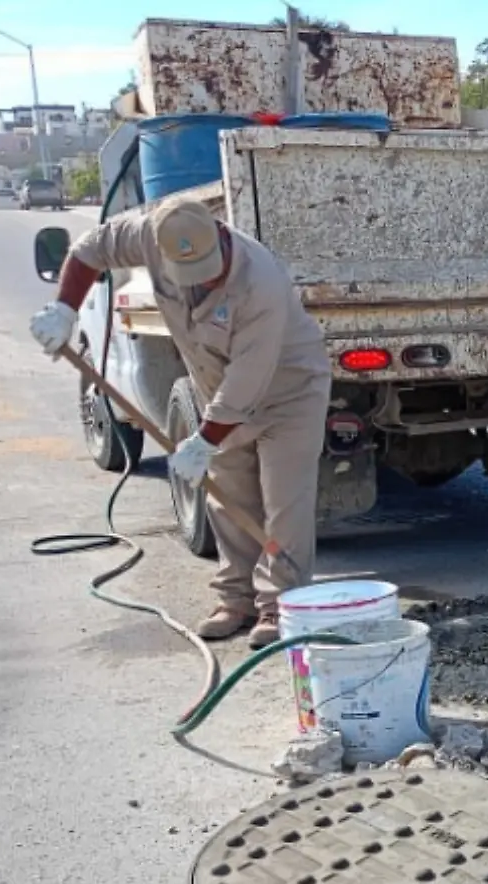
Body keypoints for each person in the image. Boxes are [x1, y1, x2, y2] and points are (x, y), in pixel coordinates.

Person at [28, 199, 332, 649]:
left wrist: (203, 441)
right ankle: (237, 600)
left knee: (283, 500)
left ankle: (280, 605)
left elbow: (248, 380)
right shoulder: (150, 233)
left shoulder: (259, 282)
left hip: (288, 392)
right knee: (229, 498)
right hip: (217, 391)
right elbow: (90, 249)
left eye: (210, 270)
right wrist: (65, 309)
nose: (204, 281)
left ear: (220, 237)